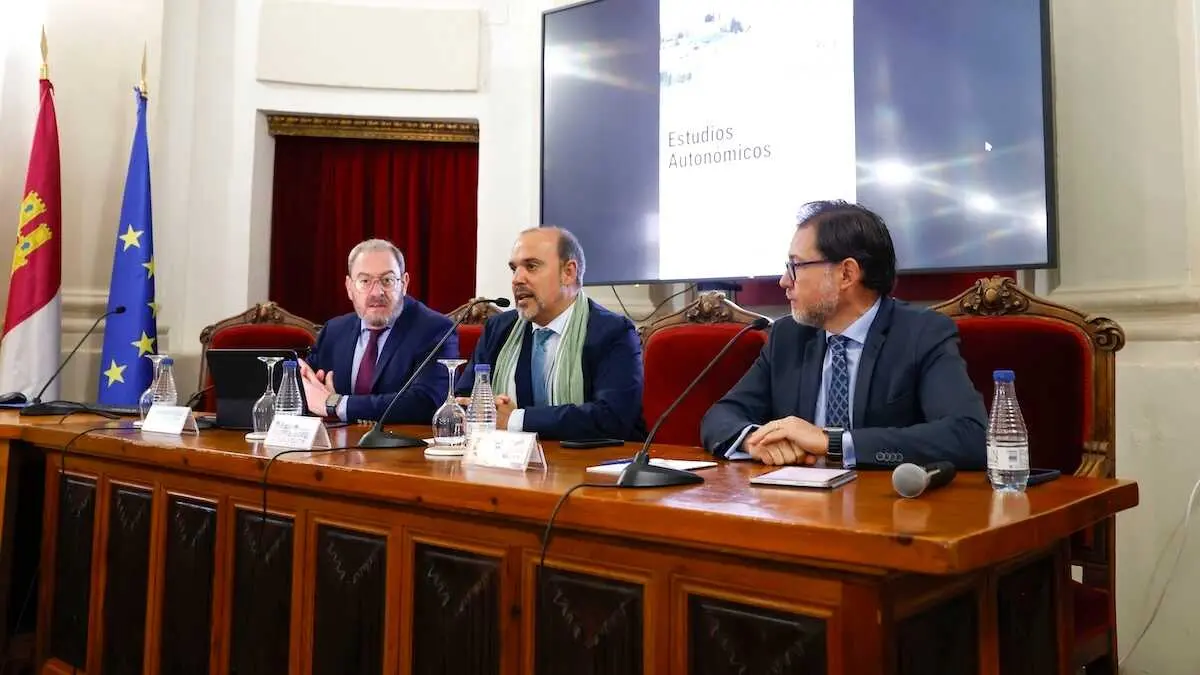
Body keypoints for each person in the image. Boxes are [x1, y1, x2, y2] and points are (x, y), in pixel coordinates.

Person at [700, 200, 987, 469]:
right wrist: (756, 440)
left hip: (886, 500)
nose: (784, 281)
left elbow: (969, 434)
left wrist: (834, 442)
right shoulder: (787, 336)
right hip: (796, 498)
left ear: (846, 274)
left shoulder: (921, 333)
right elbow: (720, 417)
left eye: (795, 266)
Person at [456, 226, 646, 441]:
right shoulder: (499, 328)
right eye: (514, 269)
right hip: (505, 458)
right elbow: (463, 400)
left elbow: (612, 417)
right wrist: (484, 409)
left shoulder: (612, 332)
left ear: (568, 272)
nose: (517, 279)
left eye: (531, 266)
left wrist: (516, 419)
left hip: (586, 459)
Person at [299, 239, 457, 423]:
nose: (376, 292)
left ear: (404, 283)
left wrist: (337, 404)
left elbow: (426, 402)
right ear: (349, 287)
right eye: (365, 281)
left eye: (387, 280)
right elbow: (309, 388)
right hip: (339, 440)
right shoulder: (334, 331)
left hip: (402, 441)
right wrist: (301, 380)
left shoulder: (435, 330)